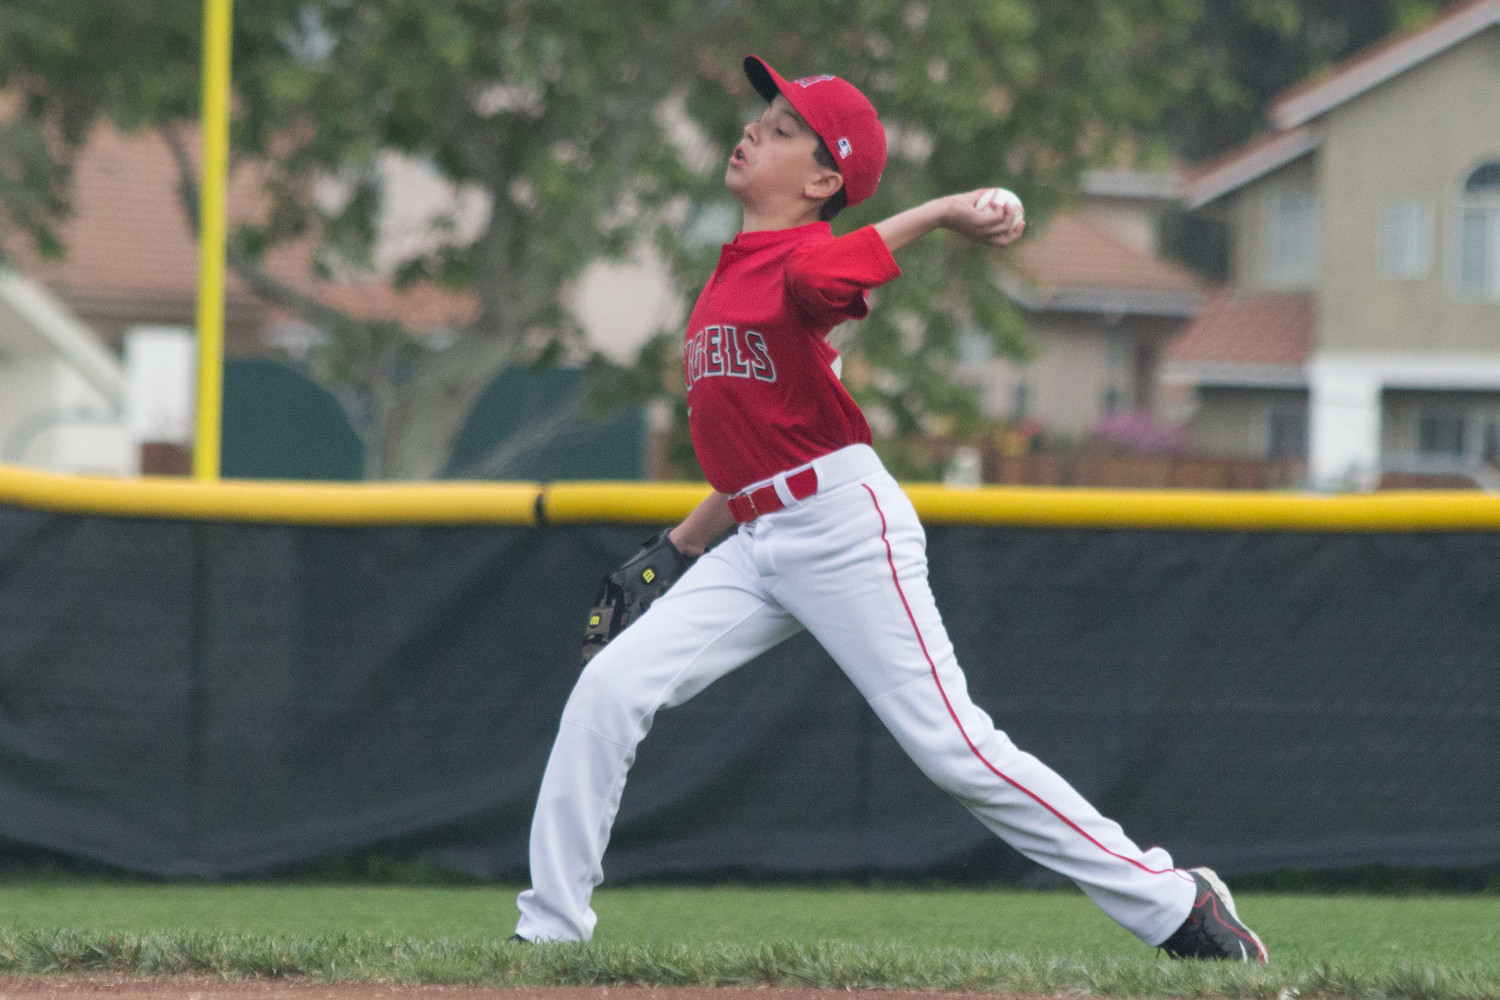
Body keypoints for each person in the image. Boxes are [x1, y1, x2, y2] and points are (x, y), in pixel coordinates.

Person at [513, 55, 1268, 963]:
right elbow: (760, 449)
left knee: (956, 751)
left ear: (823, 181)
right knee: (609, 689)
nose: (753, 130)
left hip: (843, 530)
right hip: (756, 536)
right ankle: (549, 933)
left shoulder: (804, 262)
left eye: (783, 129)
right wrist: (678, 548)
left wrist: (944, 210)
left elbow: (841, 272)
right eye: (763, 118)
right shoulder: (733, 275)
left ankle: (1177, 902)